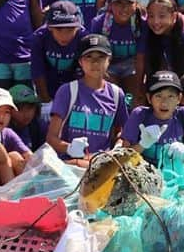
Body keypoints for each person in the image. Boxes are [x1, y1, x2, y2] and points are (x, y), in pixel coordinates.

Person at [47, 34, 128, 166]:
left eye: (101, 57)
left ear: (109, 60)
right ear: (80, 61)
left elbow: (122, 131)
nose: (95, 62)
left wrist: (117, 147)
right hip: (69, 165)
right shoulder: (67, 91)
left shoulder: (116, 94)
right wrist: (69, 148)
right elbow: (51, 138)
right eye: (88, 57)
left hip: (101, 166)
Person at [121, 71, 184, 166]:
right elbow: (123, 159)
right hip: (144, 175)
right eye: (158, 96)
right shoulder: (139, 115)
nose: (164, 103)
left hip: (177, 175)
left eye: (170, 96)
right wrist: (142, 145)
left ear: (179, 98)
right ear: (149, 98)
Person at [92, 0, 144, 99]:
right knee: (112, 95)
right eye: (118, 2)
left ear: (136, 4)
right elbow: (96, 55)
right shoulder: (99, 23)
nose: (124, 8)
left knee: (133, 98)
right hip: (108, 64)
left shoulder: (141, 24)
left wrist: (139, 87)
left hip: (132, 65)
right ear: (110, 4)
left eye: (129, 3)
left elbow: (141, 58)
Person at [136, 0, 184, 86]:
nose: (156, 22)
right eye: (151, 16)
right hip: (166, 64)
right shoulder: (147, 30)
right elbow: (140, 60)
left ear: (173, 16)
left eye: (162, 16)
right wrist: (139, 87)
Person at [30, 0, 86, 104]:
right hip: (48, 86)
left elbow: (87, 72)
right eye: (59, 29)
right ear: (50, 27)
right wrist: (46, 101)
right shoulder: (39, 37)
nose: (64, 36)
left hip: (75, 87)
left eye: (70, 30)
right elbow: (38, 71)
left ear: (77, 28)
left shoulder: (84, 38)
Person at [0, 88, 33, 184]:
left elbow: (29, 156)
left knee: (15, 157)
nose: (2, 116)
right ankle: (10, 195)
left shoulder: (7, 133)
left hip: (3, 184)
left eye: (7, 112)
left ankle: (27, 193)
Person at [8, 84, 48, 150]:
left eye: (30, 108)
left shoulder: (40, 126)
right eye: (20, 108)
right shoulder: (3, 130)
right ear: (9, 109)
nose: (26, 113)